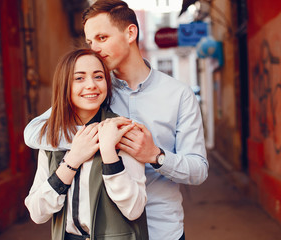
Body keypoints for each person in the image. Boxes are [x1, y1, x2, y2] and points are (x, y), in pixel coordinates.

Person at [24, 1, 209, 239]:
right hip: (106, 230)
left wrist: (155, 155)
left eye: (102, 38)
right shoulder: (93, 91)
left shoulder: (178, 94)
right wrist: (88, 144)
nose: (95, 49)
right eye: (90, 42)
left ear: (131, 32)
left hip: (161, 228)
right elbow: (34, 133)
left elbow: (198, 170)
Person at [24, 49, 148, 240]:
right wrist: (72, 160)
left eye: (98, 77)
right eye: (79, 78)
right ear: (64, 85)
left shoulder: (123, 130)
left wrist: (108, 153)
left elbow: (134, 209)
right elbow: (37, 213)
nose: (91, 85)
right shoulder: (51, 138)